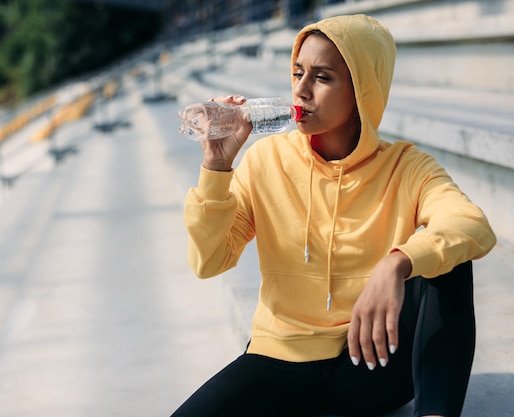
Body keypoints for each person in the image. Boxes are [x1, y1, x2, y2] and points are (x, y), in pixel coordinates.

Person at [172, 14, 497, 417]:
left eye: (322, 77)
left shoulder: (406, 167)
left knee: (448, 261)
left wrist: (397, 263)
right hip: (280, 360)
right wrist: (216, 169)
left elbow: (470, 224)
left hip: (374, 364)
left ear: (363, 89)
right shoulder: (265, 160)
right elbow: (209, 261)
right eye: (297, 72)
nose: (301, 90)